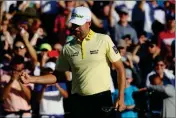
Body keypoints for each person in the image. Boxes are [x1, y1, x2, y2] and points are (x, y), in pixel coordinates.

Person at [20, 6, 126, 118]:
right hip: (78, 101)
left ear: (88, 23)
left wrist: (121, 97)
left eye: (78, 25)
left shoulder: (104, 40)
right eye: (74, 24)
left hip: (102, 99)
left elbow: (120, 69)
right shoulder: (68, 47)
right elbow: (58, 76)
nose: (75, 28)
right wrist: (31, 79)